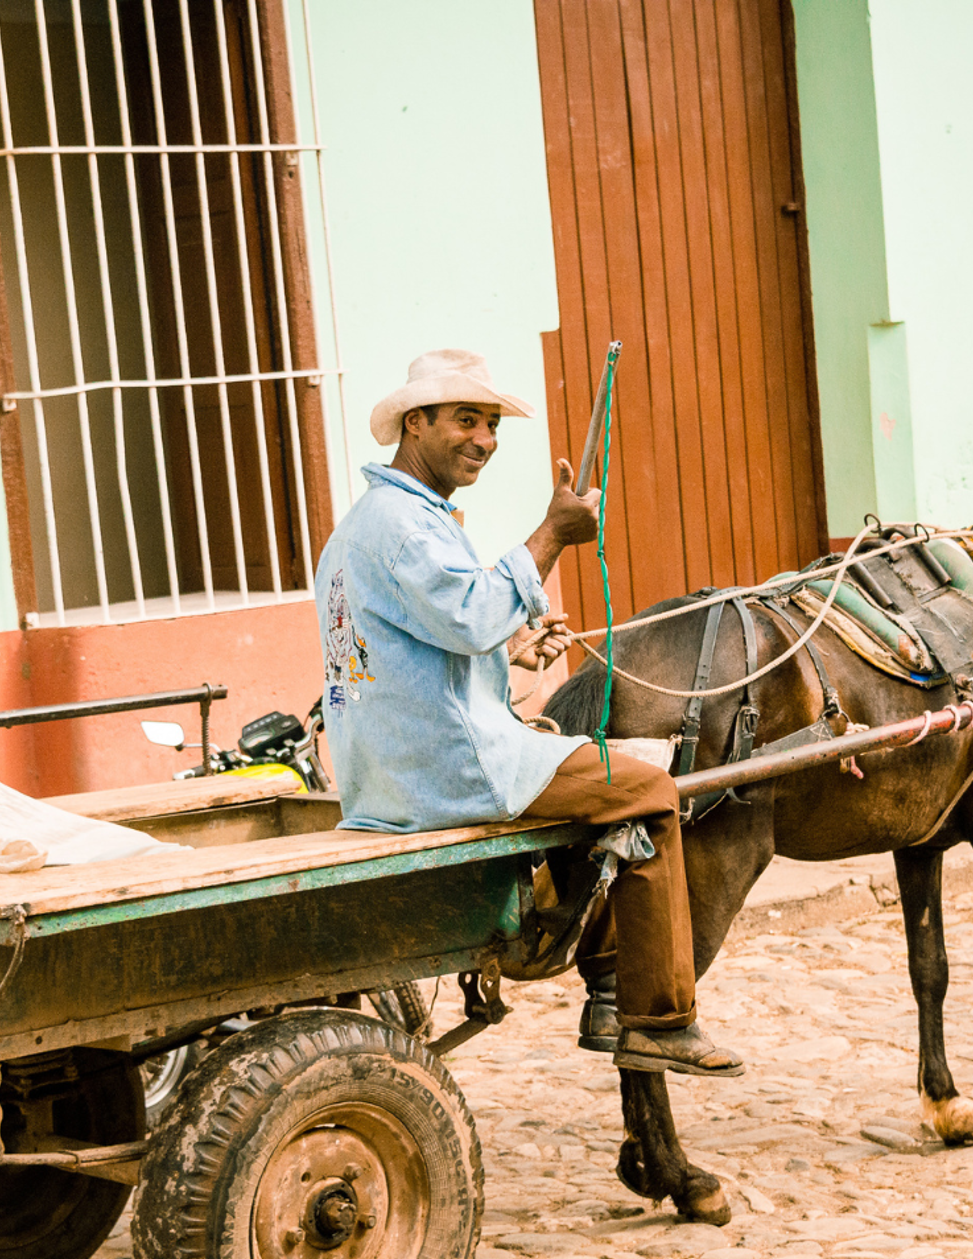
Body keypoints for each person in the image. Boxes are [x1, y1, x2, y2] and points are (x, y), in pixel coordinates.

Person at [313, 349, 741, 1077]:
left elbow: (422, 652)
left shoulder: (369, 524)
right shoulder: (406, 526)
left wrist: (510, 653)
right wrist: (552, 533)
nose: (485, 438)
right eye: (466, 420)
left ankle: (610, 986)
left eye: (491, 424)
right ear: (415, 423)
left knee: (605, 784)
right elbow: (473, 611)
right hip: (448, 773)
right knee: (649, 791)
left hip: (389, 773)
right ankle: (659, 1015)